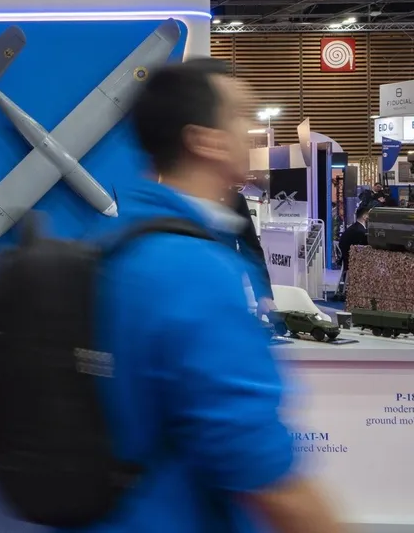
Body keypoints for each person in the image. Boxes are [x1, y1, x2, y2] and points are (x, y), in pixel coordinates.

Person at [85, 59, 341, 532]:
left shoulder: (123, 241)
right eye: (241, 115)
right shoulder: (194, 269)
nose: (254, 130)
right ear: (205, 140)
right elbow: (263, 470)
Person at [230, 189, 274, 314]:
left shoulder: (234, 200)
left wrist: (263, 294)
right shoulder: (180, 200)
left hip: (228, 289)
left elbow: (250, 248)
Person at [339, 201, 372, 272]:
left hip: (348, 260)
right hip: (353, 263)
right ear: (364, 216)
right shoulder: (359, 231)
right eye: (369, 215)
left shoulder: (354, 228)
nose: (370, 217)